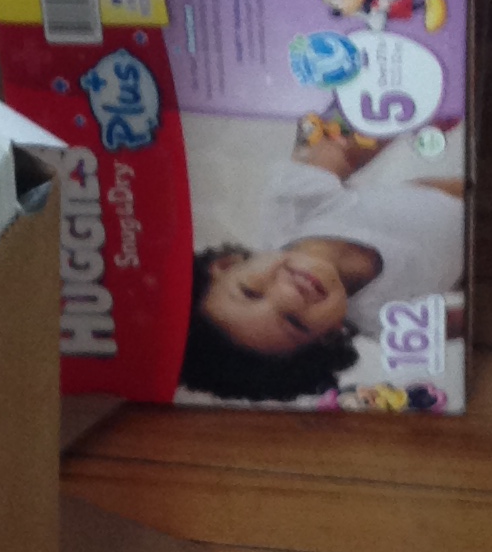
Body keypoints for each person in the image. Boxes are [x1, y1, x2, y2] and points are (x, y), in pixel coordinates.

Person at [180, 131, 466, 401]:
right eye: (294, 322)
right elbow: (464, 322)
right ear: (328, 336)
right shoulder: (387, 322)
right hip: (465, 270)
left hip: (448, 196)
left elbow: (350, 146)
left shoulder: (294, 205)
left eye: (251, 293)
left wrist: (408, 117)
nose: (290, 295)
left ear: (227, 264)